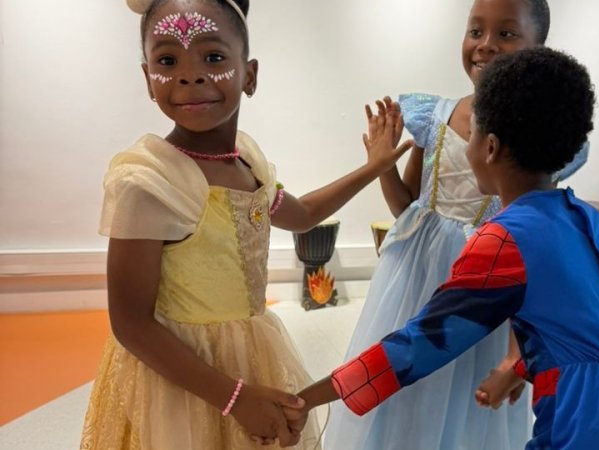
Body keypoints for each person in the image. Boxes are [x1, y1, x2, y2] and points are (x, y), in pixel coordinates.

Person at [294, 47, 599, 450]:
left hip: (587, 425)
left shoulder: (504, 240)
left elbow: (419, 345)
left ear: (489, 147)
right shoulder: (587, 217)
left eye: (471, 133)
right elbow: (582, 328)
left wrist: (307, 400)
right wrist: (520, 366)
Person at [80, 0, 411, 448]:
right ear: (147, 78)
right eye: (167, 61)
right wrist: (234, 398)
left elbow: (304, 215)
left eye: (213, 57)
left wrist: (373, 167)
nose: (190, 75)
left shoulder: (247, 165)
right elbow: (131, 324)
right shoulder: (149, 183)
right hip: (183, 383)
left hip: (251, 357)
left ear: (249, 75)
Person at [324, 1, 587, 448]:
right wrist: (382, 164)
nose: (485, 45)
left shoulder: (542, 135)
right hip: (415, 276)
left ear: (538, 49)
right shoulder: (435, 116)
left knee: (467, 388)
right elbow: (408, 207)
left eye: (506, 34)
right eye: (475, 31)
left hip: (486, 282)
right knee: (406, 377)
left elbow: (537, 231)